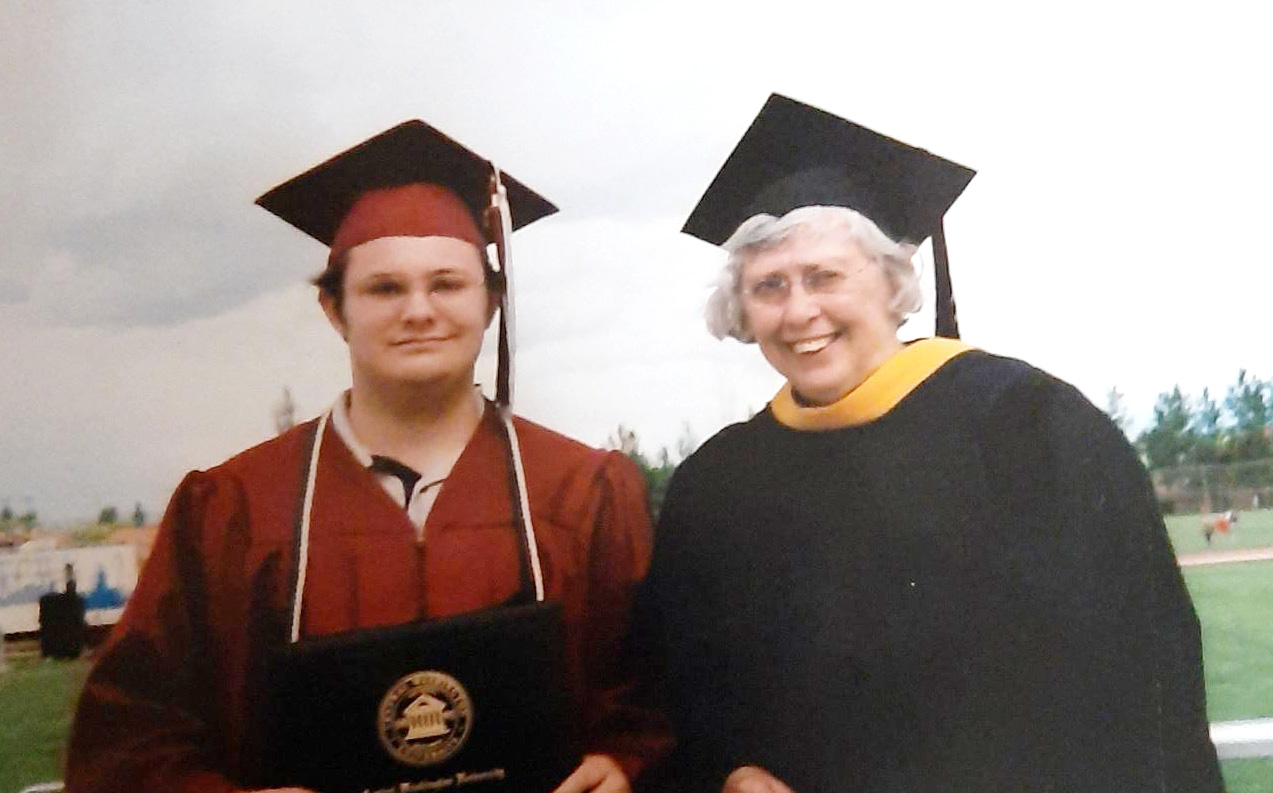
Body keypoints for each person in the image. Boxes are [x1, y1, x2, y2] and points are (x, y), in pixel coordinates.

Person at [67, 121, 669, 793]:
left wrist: (624, 762)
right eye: (385, 289)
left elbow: (654, 700)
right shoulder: (234, 508)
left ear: (491, 303)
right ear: (334, 309)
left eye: (447, 284)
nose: (419, 311)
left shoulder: (581, 492)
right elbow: (129, 737)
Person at [642, 94, 1222, 792]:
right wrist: (728, 769)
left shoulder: (1028, 429)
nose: (799, 311)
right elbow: (685, 688)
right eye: (770, 286)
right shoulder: (716, 486)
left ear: (892, 282)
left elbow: (1137, 680)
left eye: (825, 277)